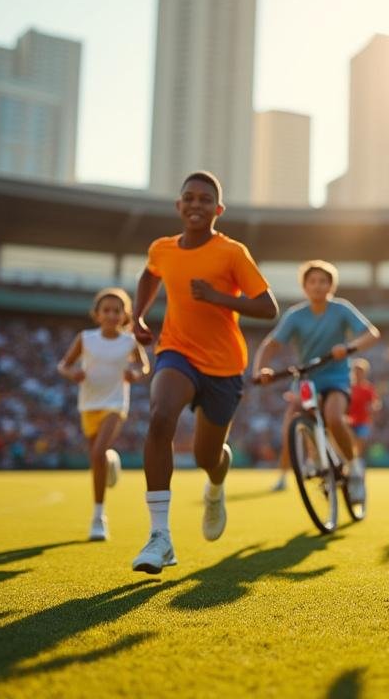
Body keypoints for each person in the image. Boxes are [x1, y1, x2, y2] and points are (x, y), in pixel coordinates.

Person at [129, 171, 277, 574]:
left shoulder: (232, 253)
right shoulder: (162, 248)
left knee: (206, 456)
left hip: (224, 366)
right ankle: (160, 536)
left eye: (205, 199)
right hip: (176, 351)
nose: (196, 204)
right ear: (179, 205)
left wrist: (217, 297)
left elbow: (268, 307)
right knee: (160, 417)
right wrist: (138, 315)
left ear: (218, 209)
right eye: (189, 198)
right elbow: (149, 273)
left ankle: (215, 484)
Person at [253, 261, 380, 504]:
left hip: (336, 377)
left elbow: (371, 333)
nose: (318, 286)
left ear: (331, 286)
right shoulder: (295, 315)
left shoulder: (341, 309)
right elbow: (271, 344)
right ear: (305, 287)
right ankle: (315, 458)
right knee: (296, 415)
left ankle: (354, 468)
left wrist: (348, 348)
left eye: (323, 281)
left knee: (334, 417)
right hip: (307, 378)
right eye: (312, 281)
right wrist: (261, 370)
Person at [57, 287, 149, 541]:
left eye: (116, 311)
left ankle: (99, 518)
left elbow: (143, 365)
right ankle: (109, 461)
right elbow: (64, 365)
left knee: (97, 452)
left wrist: (135, 374)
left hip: (116, 404)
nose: (111, 315)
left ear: (124, 315)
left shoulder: (129, 341)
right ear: (97, 314)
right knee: (96, 459)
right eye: (106, 310)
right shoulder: (86, 338)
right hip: (88, 404)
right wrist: (72, 373)